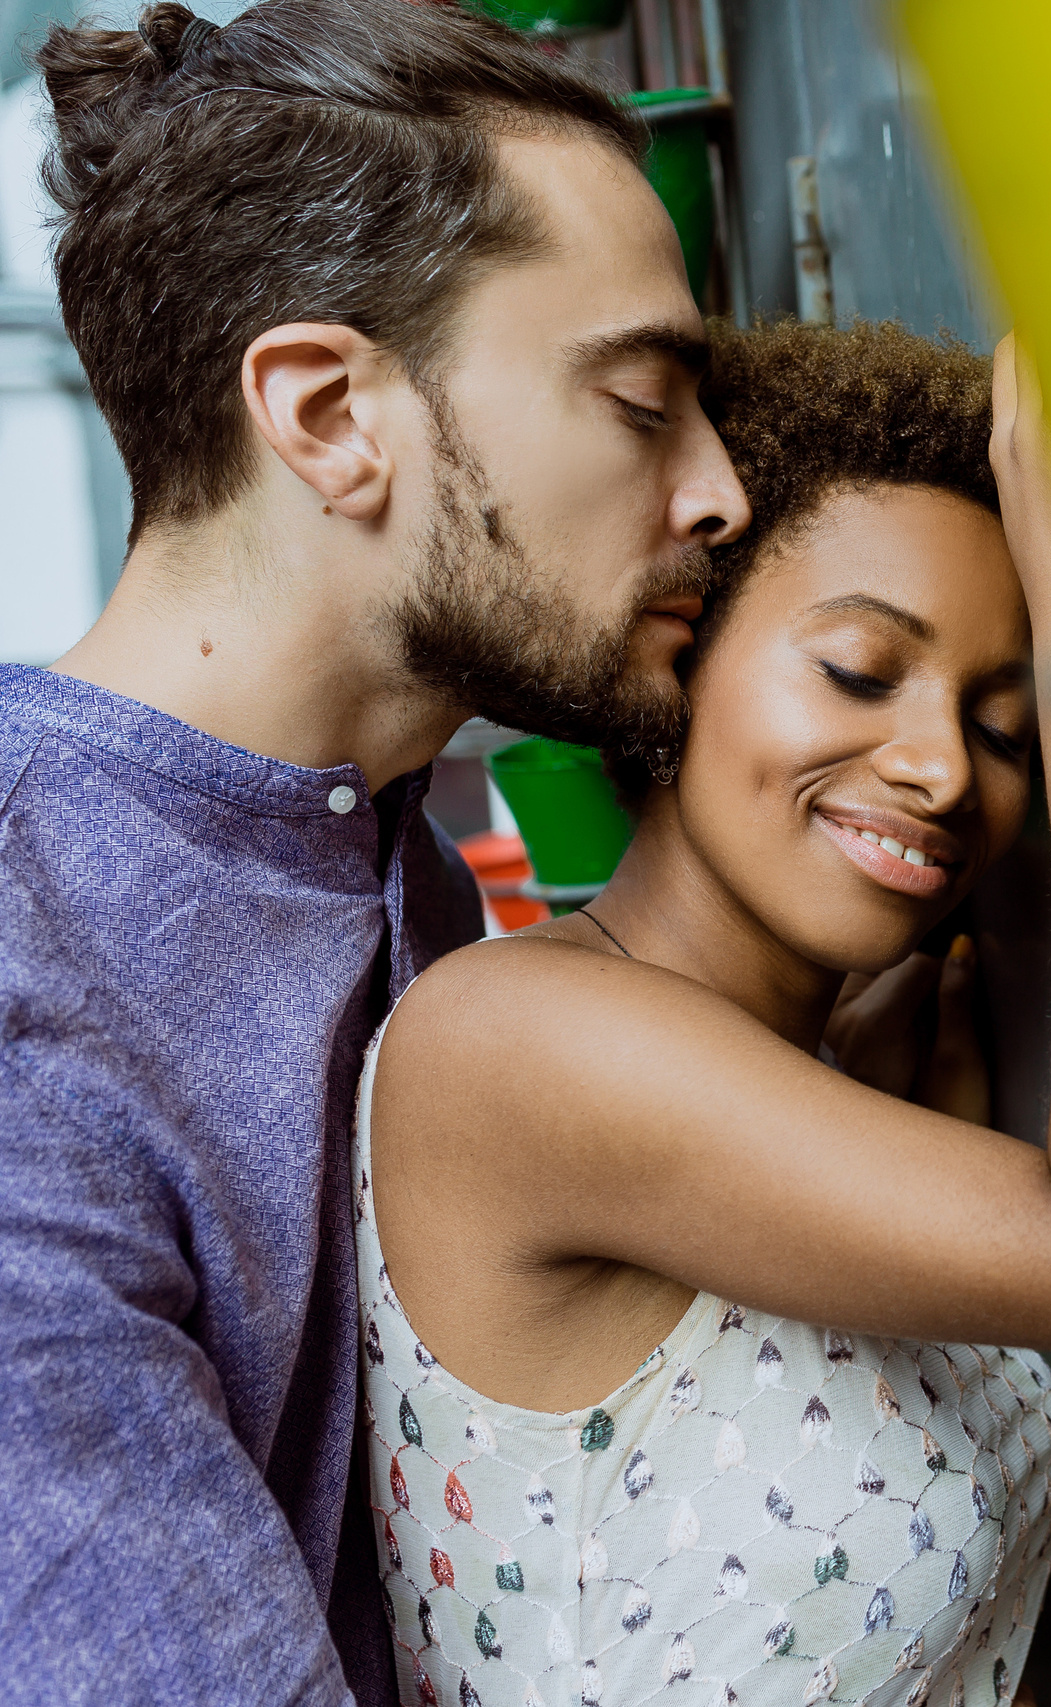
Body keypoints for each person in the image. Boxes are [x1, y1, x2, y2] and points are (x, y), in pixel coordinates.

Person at [356, 317, 1051, 1706]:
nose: (943, 770)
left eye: (1007, 724)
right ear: (682, 662)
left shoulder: (835, 1090)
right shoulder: (511, 1041)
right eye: (857, 670)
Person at [0, 4, 747, 1702]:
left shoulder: (391, 865)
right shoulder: (26, 955)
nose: (718, 495)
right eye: (642, 401)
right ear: (330, 415)